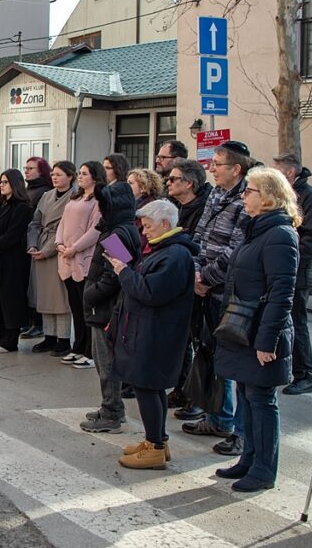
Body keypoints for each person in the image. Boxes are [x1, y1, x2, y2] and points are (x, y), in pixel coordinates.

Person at [212, 166, 300, 492]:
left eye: (249, 191)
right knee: (248, 397)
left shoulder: (280, 234)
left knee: (262, 401)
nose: (243, 196)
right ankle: (248, 459)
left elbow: (281, 292)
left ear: (267, 198)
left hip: (261, 332)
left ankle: (264, 470)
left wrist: (268, 340)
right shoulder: (258, 229)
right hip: (245, 328)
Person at [108, 199, 199, 469]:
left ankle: (155, 447)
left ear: (165, 224)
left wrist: (123, 271)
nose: (144, 231)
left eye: (147, 226)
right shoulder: (166, 250)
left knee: (147, 387)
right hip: (150, 329)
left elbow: (149, 292)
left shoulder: (174, 255)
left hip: (156, 332)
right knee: (150, 387)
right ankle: (156, 440)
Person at [184, 140, 253, 457]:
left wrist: (208, 279)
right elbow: (200, 238)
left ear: (236, 169)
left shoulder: (245, 200)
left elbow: (234, 249)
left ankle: (235, 426)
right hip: (206, 286)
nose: (212, 168)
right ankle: (216, 416)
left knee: (231, 362)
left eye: (218, 164)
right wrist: (197, 273)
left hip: (225, 291)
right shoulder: (216, 195)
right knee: (210, 354)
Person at [81, 181, 141, 433]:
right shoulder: (119, 229)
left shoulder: (117, 235)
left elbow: (115, 275)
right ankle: (111, 407)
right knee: (105, 361)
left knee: (106, 363)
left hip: (106, 309)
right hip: (107, 306)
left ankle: (112, 412)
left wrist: (90, 296)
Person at [272, 152, 312, 396]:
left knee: (296, 322)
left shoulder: (311, 198)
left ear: (290, 173)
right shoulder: (286, 195)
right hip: (282, 269)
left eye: (277, 171)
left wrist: (291, 261)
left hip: (298, 272)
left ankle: (304, 375)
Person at [166, 158, 214, 416]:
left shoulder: (204, 207)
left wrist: (199, 277)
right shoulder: (176, 205)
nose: (168, 182)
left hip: (198, 283)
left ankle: (199, 397)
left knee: (201, 343)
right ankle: (182, 388)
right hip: (181, 282)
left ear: (189, 183)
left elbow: (198, 246)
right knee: (183, 340)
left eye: (173, 179)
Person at [54, 161, 105, 360]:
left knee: (86, 308)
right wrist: (59, 244)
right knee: (75, 306)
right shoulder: (74, 198)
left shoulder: (98, 201)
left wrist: (74, 248)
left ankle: (89, 351)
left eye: (85, 173)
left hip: (83, 258)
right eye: (80, 173)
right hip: (66, 258)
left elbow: (95, 230)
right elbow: (62, 223)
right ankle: (78, 346)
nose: (81, 176)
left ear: (94, 176)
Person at [0, 169, 34, 352]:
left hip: (13, 258)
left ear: (15, 184)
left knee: (11, 297)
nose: (2, 185)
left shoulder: (22, 207)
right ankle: (1, 331)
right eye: (1, 182)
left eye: (6, 182)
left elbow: (13, 234)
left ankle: (11, 336)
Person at [30, 161, 77, 353]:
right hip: (40, 243)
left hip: (59, 248)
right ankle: (49, 336)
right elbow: (35, 222)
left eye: (59, 174)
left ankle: (64, 339)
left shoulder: (75, 197)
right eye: (53, 174)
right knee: (44, 295)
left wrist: (47, 249)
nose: (55, 177)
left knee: (60, 297)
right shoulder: (46, 195)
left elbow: (65, 228)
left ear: (70, 176)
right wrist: (32, 244)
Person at [21, 157, 54, 338]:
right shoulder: (30, 189)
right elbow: (33, 221)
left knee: (40, 286)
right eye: (25, 168)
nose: (27, 171)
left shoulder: (45, 192)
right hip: (30, 240)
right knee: (29, 285)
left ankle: (40, 324)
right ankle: (30, 321)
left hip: (45, 242)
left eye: (31, 168)